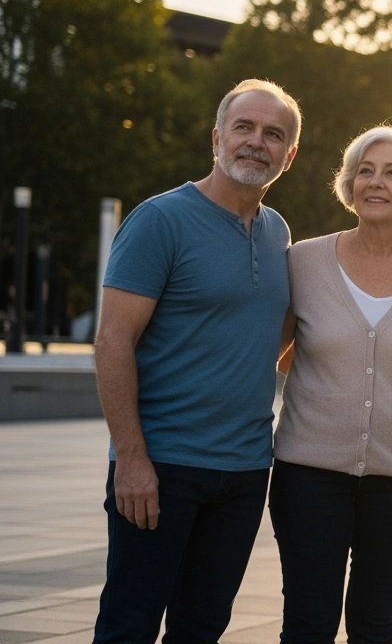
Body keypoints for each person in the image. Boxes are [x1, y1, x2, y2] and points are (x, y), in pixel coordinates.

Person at [92, 78, 300, 642]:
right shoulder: (161, 220)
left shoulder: (278, 232)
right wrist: (132, 460)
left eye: (273, 134)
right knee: (129, 622)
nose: (257, 142)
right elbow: (113, 342)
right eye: (244, 127)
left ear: (289, 153)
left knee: (202, 625)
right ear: (217, 138)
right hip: (162, 465)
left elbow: (275, 339)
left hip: (244, 470)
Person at [269, 124, 392, 642]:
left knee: (376, 627)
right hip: (307, 474)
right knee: (307, 623)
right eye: (365, 171)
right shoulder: (303, 261)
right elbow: (271, 353)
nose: (374, 182)